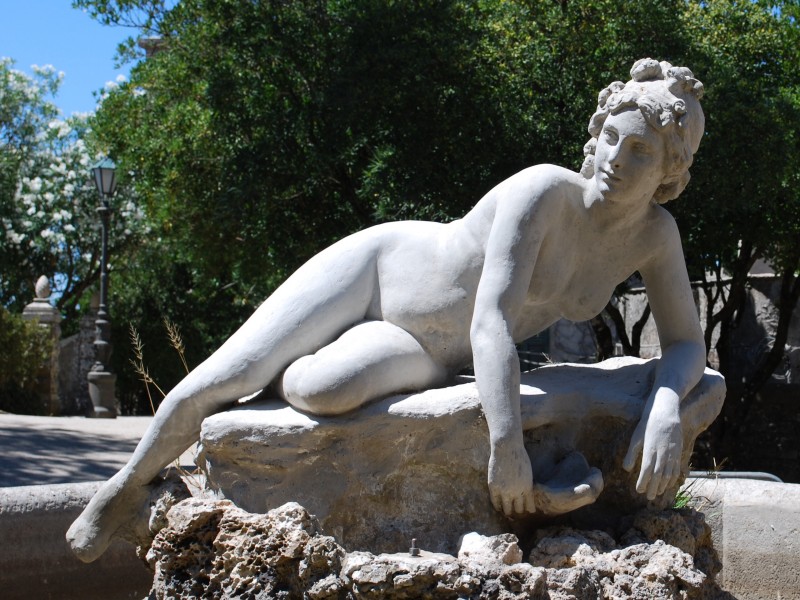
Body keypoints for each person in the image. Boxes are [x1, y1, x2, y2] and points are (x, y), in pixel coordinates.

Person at [68, 58, 706, 562]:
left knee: (321, 389)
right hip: (384, 271)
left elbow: (684, 344)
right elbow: (491, 319)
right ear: (595, 136)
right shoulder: (544, 191)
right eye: (612, 139)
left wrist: (665, 407)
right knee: (233, 373)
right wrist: (506, 444)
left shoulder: (655, 236)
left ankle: (310, 362)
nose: (616, 160)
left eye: (642, 153)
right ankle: (124, 487)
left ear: (669, 173)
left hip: (431, 356)